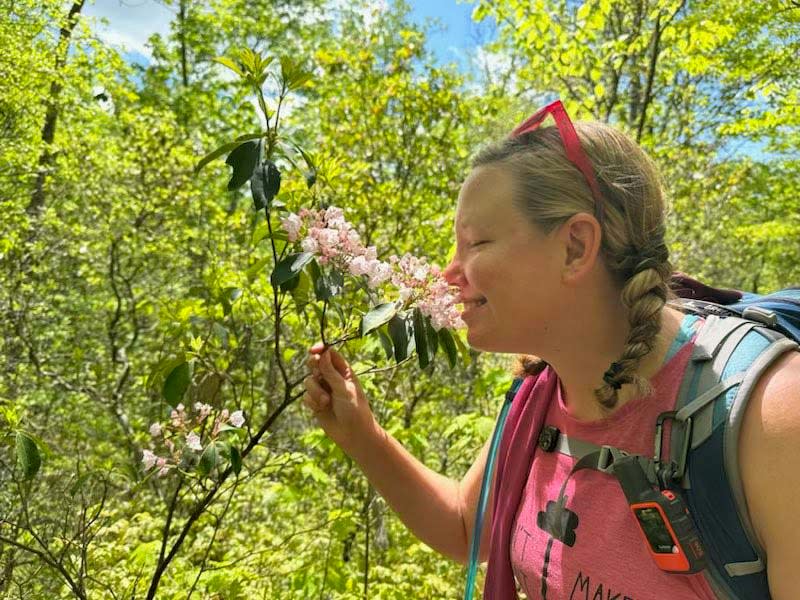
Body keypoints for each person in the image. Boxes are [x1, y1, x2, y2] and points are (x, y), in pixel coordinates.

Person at [302, 101, 800, 599]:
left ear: (575, 247)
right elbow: (464, 525)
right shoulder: (538, 394)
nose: (447, 275)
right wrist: (363, 435)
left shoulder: (768, 417)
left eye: (474, 244)